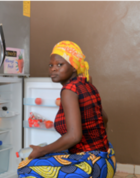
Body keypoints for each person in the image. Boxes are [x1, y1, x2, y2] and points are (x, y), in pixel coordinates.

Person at [17, 41, 116, 178]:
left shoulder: (69, 90)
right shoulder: (87, 84)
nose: (53, 69)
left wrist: (42, 150)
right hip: (107, 160)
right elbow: (104, 118)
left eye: (59, 65)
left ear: (74, 67)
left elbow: (74, 136)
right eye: (51, 65)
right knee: (53, 155)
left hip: (90, 166)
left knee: (24, 168)